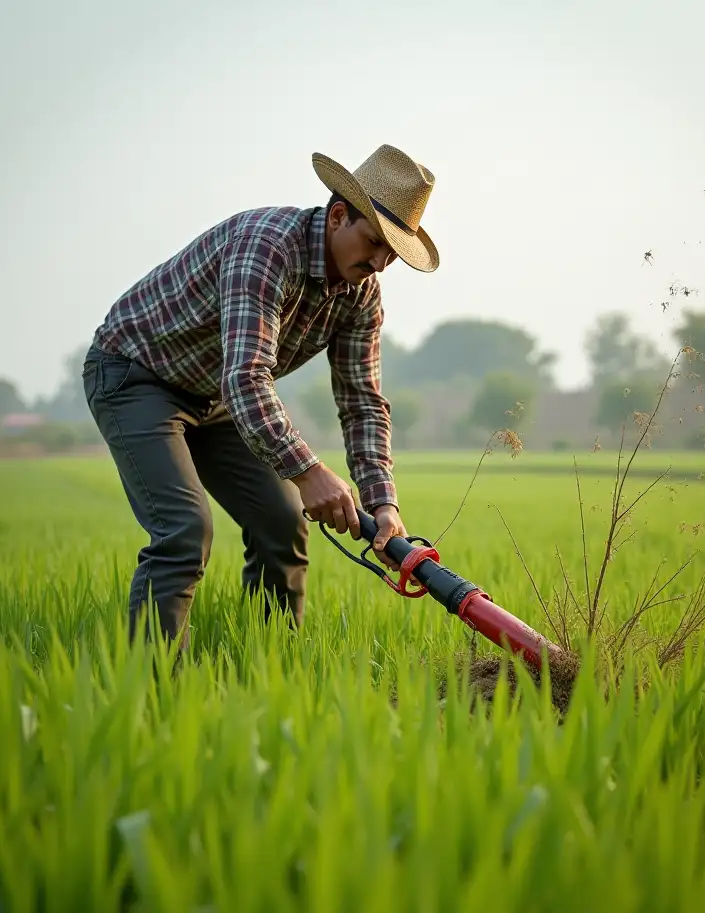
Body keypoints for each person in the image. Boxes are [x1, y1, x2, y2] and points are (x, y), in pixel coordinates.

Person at [81, 143, 440, 652]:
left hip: (216, 395)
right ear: (339, 216)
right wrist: (309, 471)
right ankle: (153, 691)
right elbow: (247, 376)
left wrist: (382, 504)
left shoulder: (361, 294)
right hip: (137, 375)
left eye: (393, 253)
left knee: (282, 523)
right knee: (184, 531)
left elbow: (362, 402)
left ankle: (267, 667)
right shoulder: (266, 247)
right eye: (374, 242)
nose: (381, 263)